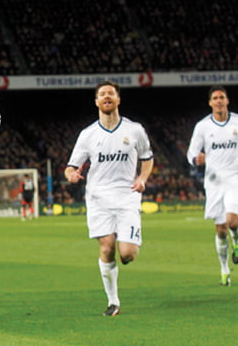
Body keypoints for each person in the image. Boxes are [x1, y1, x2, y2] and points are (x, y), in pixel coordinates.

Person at [64, 81, 153, 316]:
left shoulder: (134, 130)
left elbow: (147, 157)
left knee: (127, 254)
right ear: (96, 102)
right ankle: (113, 301)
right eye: (102, 94)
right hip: (98, 198)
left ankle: (125, 256)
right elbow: (71, 166)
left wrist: (143, 178)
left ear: (118, 99)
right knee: (106, 247)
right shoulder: (88, 134)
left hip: (127, 197)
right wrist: (71, 174)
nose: (106, 97)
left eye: (110, 94)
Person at [186, 85, 238, 286]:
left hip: (235, 179)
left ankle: (237, 243)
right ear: (210, 103)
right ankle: (224, 269)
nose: (219, 101)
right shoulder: (203, 127)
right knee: (220, 229)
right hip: (213, 184)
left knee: (233, 221)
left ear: (227, 100)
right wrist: (196, 159)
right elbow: (191, 153)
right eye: (215, 98)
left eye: (222, 97)